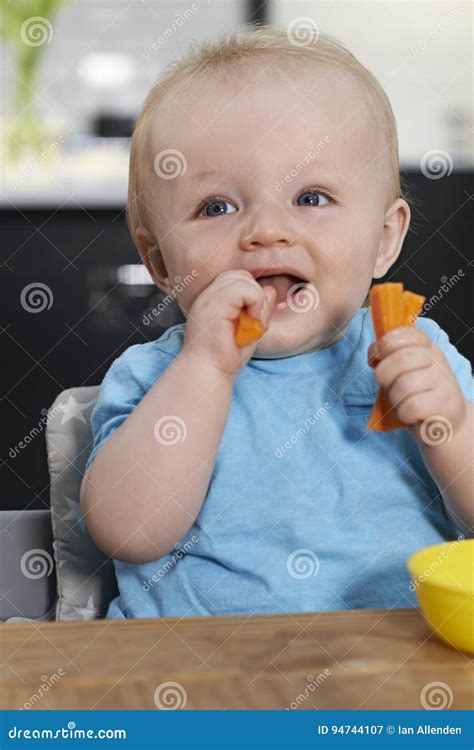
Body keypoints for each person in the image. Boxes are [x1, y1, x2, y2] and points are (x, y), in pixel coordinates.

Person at [80, 25, 472, 619]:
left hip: (395, 669)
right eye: (217, 207)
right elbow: (129, 533)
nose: (267, 230)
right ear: (160, 260)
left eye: (311, 198)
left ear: (384, 238)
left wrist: (450, 426)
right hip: (199, 680)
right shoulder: (156, 376)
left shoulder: (417, 350)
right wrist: (206, 368)